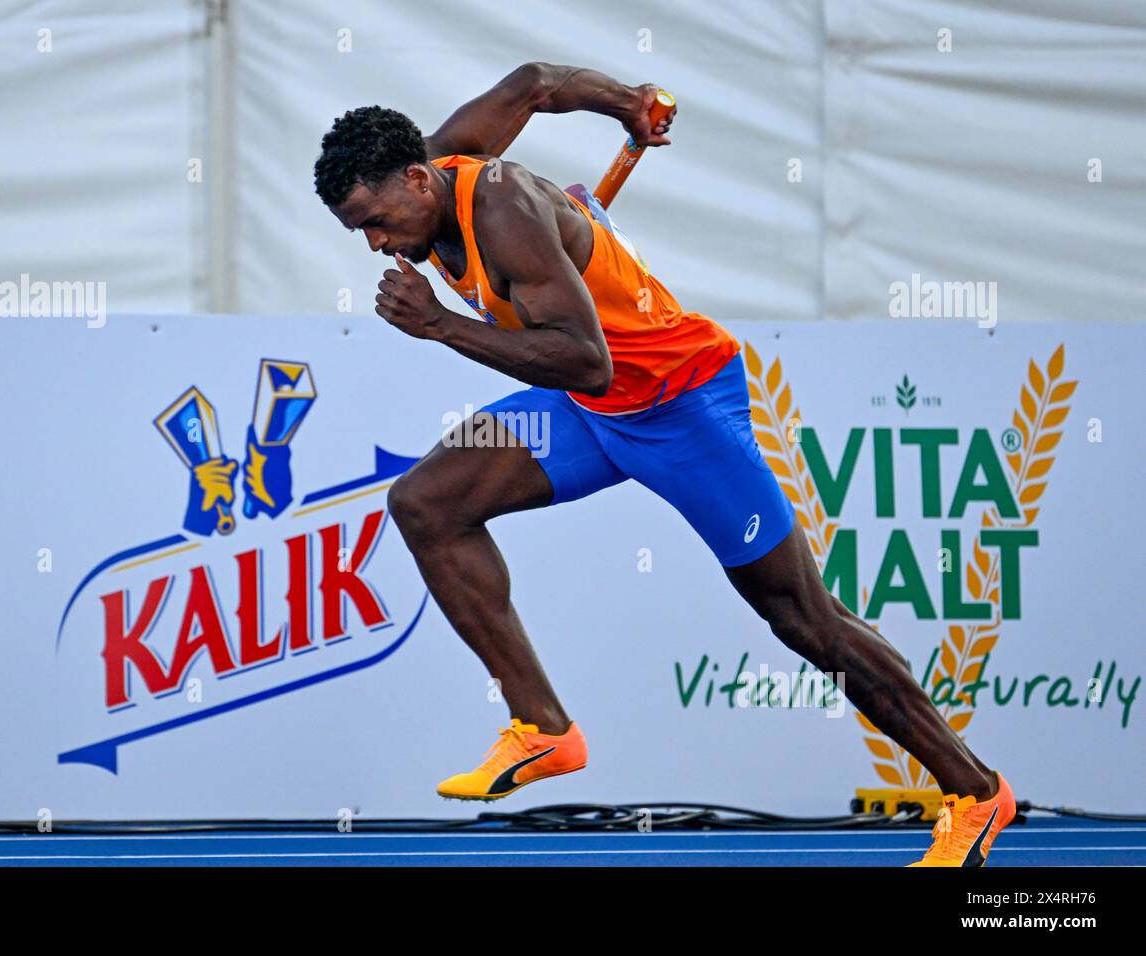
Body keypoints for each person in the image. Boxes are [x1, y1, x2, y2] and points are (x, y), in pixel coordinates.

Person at [313, 62, 1015, 866]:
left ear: (414, 178)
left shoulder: (501, 209)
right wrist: (629, 106)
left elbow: (585, 362)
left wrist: (440, 326)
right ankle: (545, 729)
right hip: (591, 417)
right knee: (426, 505)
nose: (375, 245)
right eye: (357, 233)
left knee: (805, 623)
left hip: (676, 405)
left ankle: (975, 790)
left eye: (375, 221)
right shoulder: (437, 162)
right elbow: (535, 83)